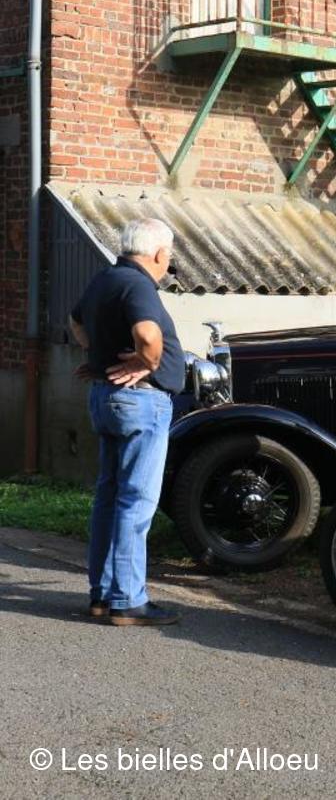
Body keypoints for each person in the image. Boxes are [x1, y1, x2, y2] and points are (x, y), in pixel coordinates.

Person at [68, 218, 185, 626]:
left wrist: (98, 355)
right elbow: (148, 335)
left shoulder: (105, 279)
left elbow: (75, 321)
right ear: (159, 253)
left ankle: (101, 594)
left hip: (107, 398)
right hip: (141, 402)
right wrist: (146, 362)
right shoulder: (138, 285)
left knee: (109, 496)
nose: (168, 261)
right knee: (136, 500)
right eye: (169, 255)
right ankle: (128, 600)